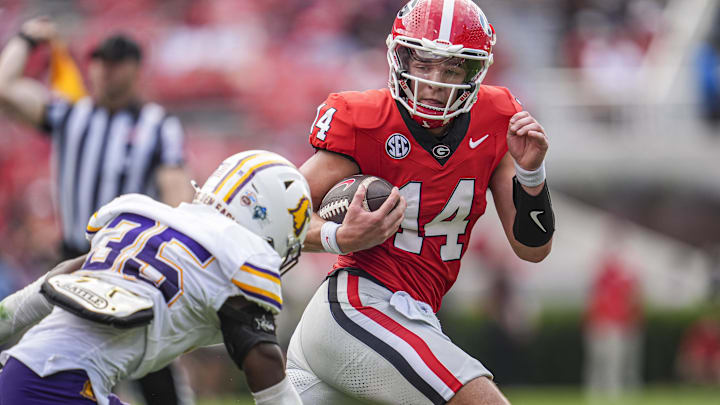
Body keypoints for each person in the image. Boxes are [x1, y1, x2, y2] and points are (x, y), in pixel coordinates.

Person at [285, 1, 555, 404]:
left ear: (474, 72)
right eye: (425, 64)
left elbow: (533, 249)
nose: (434, 82)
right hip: (358, 308)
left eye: (451, 69)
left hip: (409, 316)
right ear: (401, 58)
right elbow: (274, 219)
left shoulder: (497, 119)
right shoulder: (366, 121)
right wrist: (338, 237)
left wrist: (532, 174)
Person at [0, 151, 311, 405]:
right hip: (61, 388)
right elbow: (267, 372)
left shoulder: (142, 219)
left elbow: (53, 282)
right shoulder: (237, 260)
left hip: (17, 370)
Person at [0, 17, 193, 403]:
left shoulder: (157, 126)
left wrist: (182, 242)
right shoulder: (72, 115)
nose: (105, 70)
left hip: (129, 262)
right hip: (73, 261)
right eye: (100, 61)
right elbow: (5, 90)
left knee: (148, 364)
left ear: (135, 69)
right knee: (63, 357)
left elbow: (177, 191)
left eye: (115, 62)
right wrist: (24, 39)